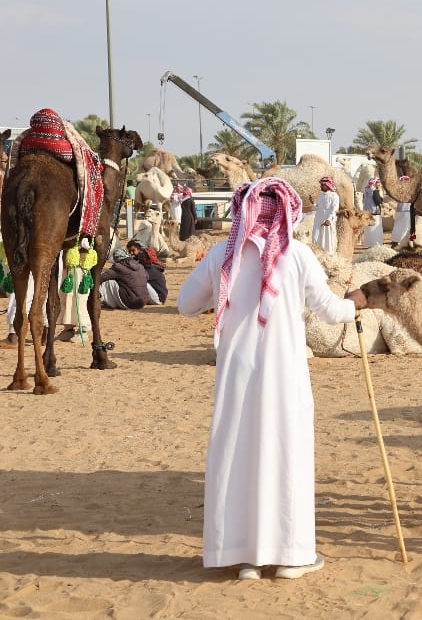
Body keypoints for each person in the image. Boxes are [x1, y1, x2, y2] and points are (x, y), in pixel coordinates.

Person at [177, 177, 367, 581]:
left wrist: (223, 289)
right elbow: (332, 312)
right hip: (284, 376)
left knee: (240, 455)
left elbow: (185, 304)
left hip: (236, 375)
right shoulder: (297, 255)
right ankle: (291, 557)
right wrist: (357, 302)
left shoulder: (223, 255)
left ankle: (245, 558)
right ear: (287, 211)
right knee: (284, 455)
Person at [127, 240, 168, 305]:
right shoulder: (147, 267)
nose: (131, 253)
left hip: (158, 299)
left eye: (133, 250)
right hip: (155, 295)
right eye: (130, 251)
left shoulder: (150, 268)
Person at [311, 176, 340, 253]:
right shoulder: (320, 195)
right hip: (318, 219)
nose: (320, 186)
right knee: (316, 237)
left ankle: (328, 255)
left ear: (327, 185)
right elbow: (317, 208)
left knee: (327, 239)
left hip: (328, 220)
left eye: (322, 185)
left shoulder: (334, 196)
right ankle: (318, 254)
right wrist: (313, 203)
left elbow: (334, 209)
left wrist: (329, 220)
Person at [362, 178, 384, 247]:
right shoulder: (375, 191)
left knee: (368, 229)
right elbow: (378, 202)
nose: (379, 184)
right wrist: (380, 193)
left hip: (366, 212)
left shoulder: (366, 190)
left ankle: (369, 244)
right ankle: (375, 244)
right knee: (375, 229)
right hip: (375, 213)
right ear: (374, 183)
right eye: (378, 182)